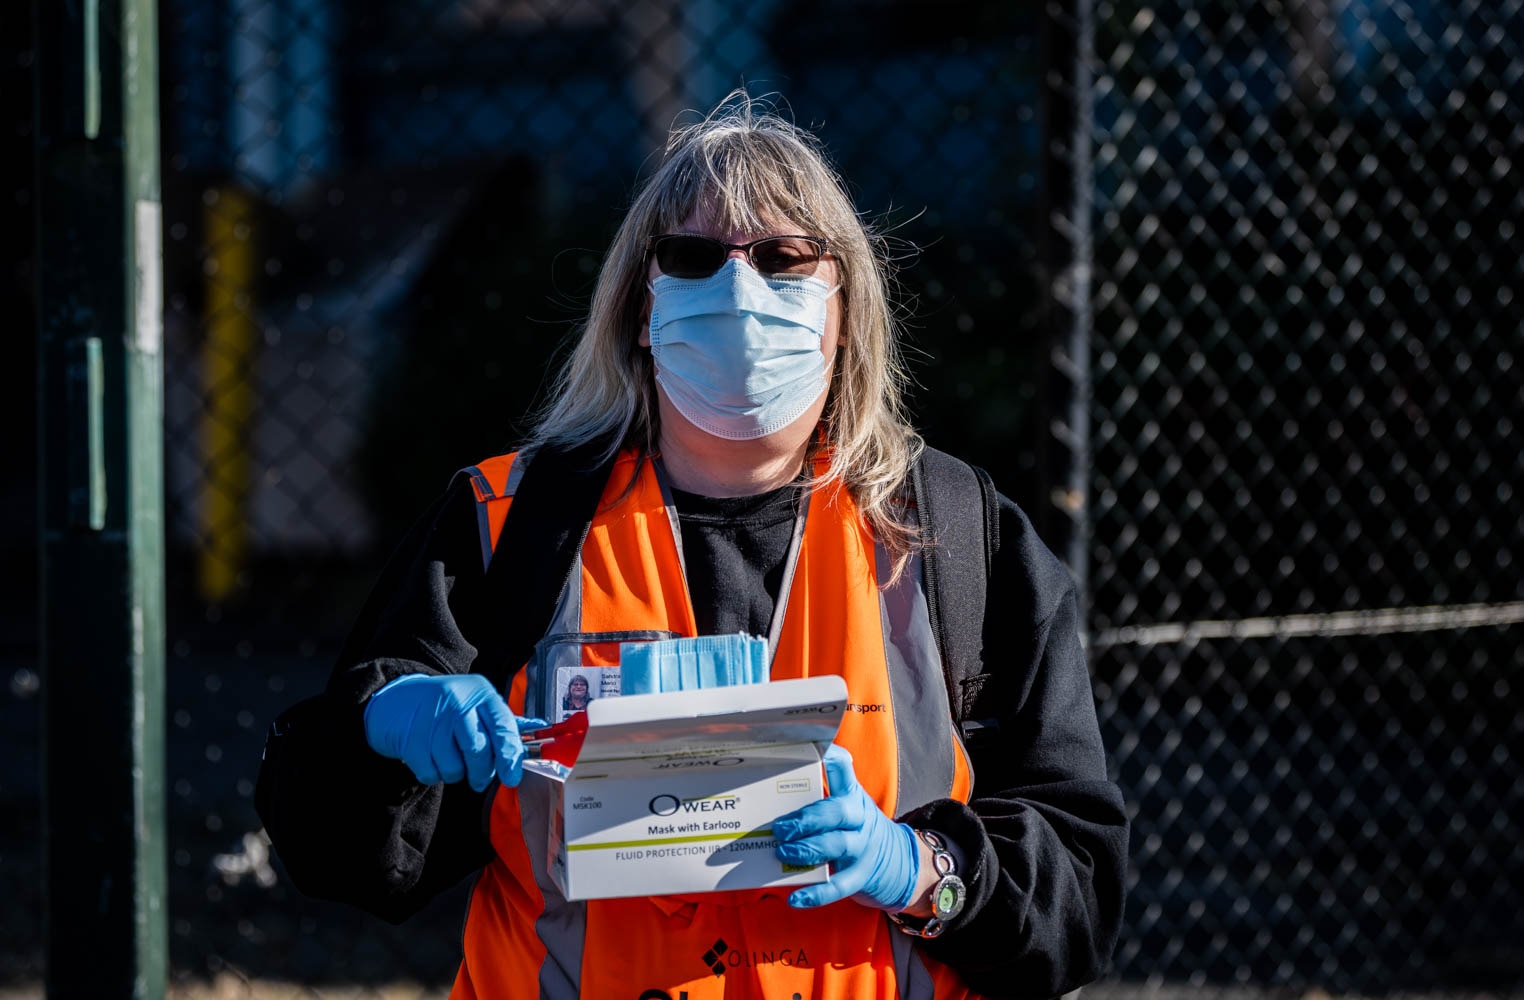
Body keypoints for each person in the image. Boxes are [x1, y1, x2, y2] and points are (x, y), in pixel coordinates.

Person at [260, 93, 1128, 999]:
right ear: (641, 308)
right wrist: (381, 732)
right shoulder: (507, 526)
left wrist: (918, 869)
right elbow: (337, 856)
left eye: (785, 257)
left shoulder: (955, 537)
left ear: (845, 310)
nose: (738, 290)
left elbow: (1080, 895)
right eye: (693, 257)